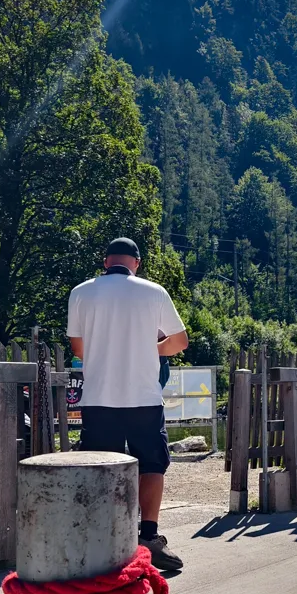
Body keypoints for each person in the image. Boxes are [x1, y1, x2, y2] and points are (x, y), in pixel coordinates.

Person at [67, 237, 189, 570]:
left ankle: (102, 543)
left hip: (99, 398)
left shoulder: (81, 292)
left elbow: (79, 350)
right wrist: (152, 347)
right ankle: (148, 538)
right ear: (136, 262)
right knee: (152, 465)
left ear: (106, 261)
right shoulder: (154, 292)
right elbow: (180, 341)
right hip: (143, 398)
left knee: (99, 469)